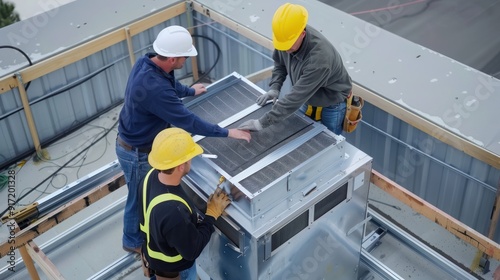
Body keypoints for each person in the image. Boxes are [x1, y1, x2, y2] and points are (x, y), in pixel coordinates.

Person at [116, 25, 250, 254]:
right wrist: (228, 132)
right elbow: (190, 122)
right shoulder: (155, 90)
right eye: (184, 57)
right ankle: (132, 241)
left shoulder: (147, 62)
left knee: (141, 193)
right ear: (172, 59)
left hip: (137, 142)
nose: (186, 61)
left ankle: (136, 236)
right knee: (137, 197)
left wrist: (189, 91)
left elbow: (168, 84)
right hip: (136, 152)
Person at [238, 3, 352, 135]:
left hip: (332, 104)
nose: (286, 49)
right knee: (300, 134)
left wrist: (261, 123)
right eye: (282, 45)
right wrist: (275, 87)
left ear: (302, 34)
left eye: (289, 45)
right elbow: (280, 64)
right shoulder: (286, 36)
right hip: (308, 97)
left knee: (331, 142)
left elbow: (296, 97)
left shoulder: (320, 59)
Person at [139, 127, 231, 280]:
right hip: (176, 272)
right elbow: (192, 251)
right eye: (189, 158)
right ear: (181, 166)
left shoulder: (150, 176)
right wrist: (211, 215)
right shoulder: (173, 211)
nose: (191, 160)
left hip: (153, 255)